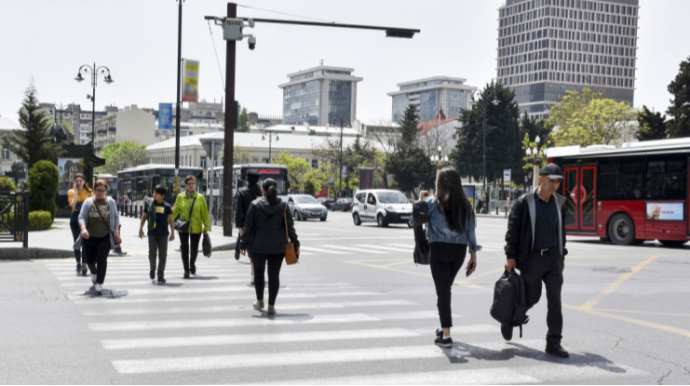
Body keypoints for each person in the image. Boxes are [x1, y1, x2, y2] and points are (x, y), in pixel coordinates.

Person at [503, 163, 569, 358]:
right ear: (541, 179)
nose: (555, 185)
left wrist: (562, 255)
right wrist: (510, 255)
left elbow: (561, 231)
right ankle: (509, 319)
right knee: (531, 297)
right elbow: (513, 229)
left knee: (555, 300)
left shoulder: (558, 202)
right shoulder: (525, 202)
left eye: (558, 182)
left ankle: (553, 342)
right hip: (532, 259)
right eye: (551, 181)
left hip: (553, 259)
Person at [410, 168, 478, 348]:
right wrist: (473, 254)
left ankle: (446, 336)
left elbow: (413, 221)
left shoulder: (433, 203)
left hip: (439, 250)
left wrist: (420, 201)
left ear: (439, 184)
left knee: (443, 292)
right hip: (459, 252)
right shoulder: (466, 205)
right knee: (445, 289)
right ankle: (443, 327)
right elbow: (471, 230)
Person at [239, 178, 300, 315]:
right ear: (276, 190)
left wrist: (242, 244)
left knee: (259, 273)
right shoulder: (284, 206)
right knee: (274, 276)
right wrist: (296, 244)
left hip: (257, 246)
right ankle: (271, 306)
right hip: (277, 247)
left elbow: (248, 227)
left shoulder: (255, 204)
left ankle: (260, 301)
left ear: (262, 190)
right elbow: (290, 228)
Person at [78, 180, 121, 296]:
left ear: (106, 191)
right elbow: (81, 217)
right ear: (94, 190)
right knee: (91, 260)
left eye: (102, 191)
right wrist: (84, 229)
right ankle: (93, 271)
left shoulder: (110, 202)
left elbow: (116, 218)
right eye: (98, 190)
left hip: (105, 237)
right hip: (90, 236)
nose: (100, 193)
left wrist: (116, 231)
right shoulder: (88, 202)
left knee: (102, 259)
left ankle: (99, 283)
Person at [172, 175, 210, 279]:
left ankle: (192, 263)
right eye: (189, 184)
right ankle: (186, 270)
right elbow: (174, 211)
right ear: (185, 185)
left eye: (193, 183)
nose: (191, 185)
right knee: (184, 248)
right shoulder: (180, 197)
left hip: (196, 227)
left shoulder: (200, 198)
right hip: (183, 227)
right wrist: (167, 221)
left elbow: (205, 214)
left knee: (194, 249)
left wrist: (206, 227)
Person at [139, 184, 175, 284]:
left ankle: (160, 275)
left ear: (162, 195)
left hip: (163, 234)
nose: (154, 195)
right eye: (154, 192)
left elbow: (171, 220)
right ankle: (152, 269)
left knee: (163, 256)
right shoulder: (149, 204)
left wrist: (172, 233)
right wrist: (140, 228)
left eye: (156, 193)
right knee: (152, 254)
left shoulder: (167, 206)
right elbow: (144, 216)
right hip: (152, 233)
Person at [234, 170, 262, 284]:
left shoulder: (241, 191)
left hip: (246, 224)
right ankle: (257, 274)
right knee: (257, 251)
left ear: (247, 179)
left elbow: (238, 211)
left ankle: (253, 275)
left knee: (251, 251)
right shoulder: (260, 192)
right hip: (260, 224)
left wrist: (239, 226)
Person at [68, 174, 93, 276]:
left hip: (86, 218)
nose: (78, 183)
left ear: (84, 181)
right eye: (77, 181)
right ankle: (78, 263)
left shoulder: (89, 192)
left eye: (80, 181)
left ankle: (84, 264)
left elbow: (92, 205)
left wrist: (82, 207)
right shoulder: (71, 192)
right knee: (77, 241)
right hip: (74, 218)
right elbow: (73, 205)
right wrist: (77, 193)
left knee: (85, 241)